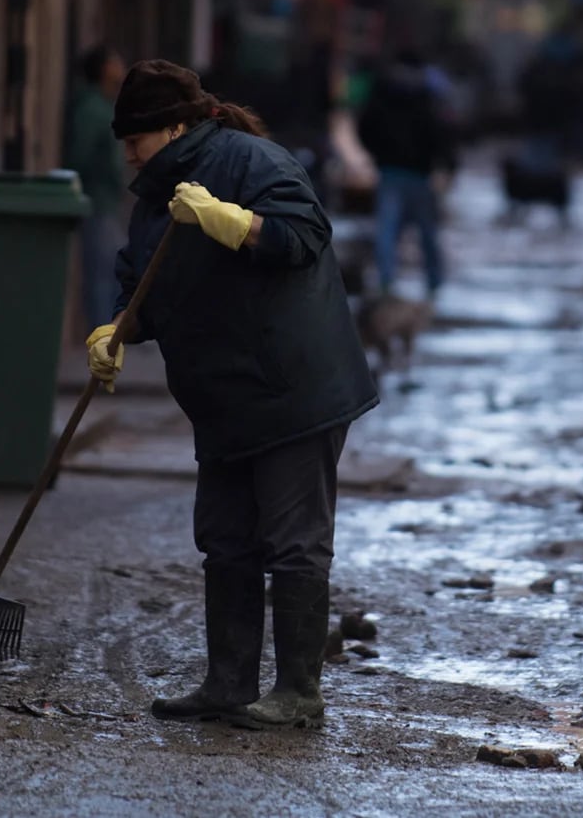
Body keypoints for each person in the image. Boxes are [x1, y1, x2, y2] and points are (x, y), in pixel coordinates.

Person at [87, 60, 377, 731]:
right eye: (124, 140)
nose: (128, 152)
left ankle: (299, 691)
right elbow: (144, 282)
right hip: (223, 398)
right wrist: (119, 326)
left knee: (294, 541)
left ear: (178, 126)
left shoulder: (252, 162)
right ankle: (228, 682)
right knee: (225, 539)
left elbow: (305, 236)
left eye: (138, 138)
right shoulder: (155, 197)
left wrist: (231, 222)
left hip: (291, 386)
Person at [358, 48, 457, 299]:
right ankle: (434, 283)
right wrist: (447, 165)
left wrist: (377, 153)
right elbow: (442, 132)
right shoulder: (428, 94)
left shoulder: (383, 90)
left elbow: (366, 126)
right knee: (427, 233)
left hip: (392, 171)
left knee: (388, 231)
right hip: (419, 174)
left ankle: (387, 282)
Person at [62, 45, 129, 331]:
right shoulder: (91, 109)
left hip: (107, 202)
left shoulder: (104, 105)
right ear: (103, 69)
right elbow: (80, 155)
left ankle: (113, 331)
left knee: (113, 271)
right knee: (102, 274)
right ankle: (103, 335)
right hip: (96, 201)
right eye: (115, 63)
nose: (121, 68)